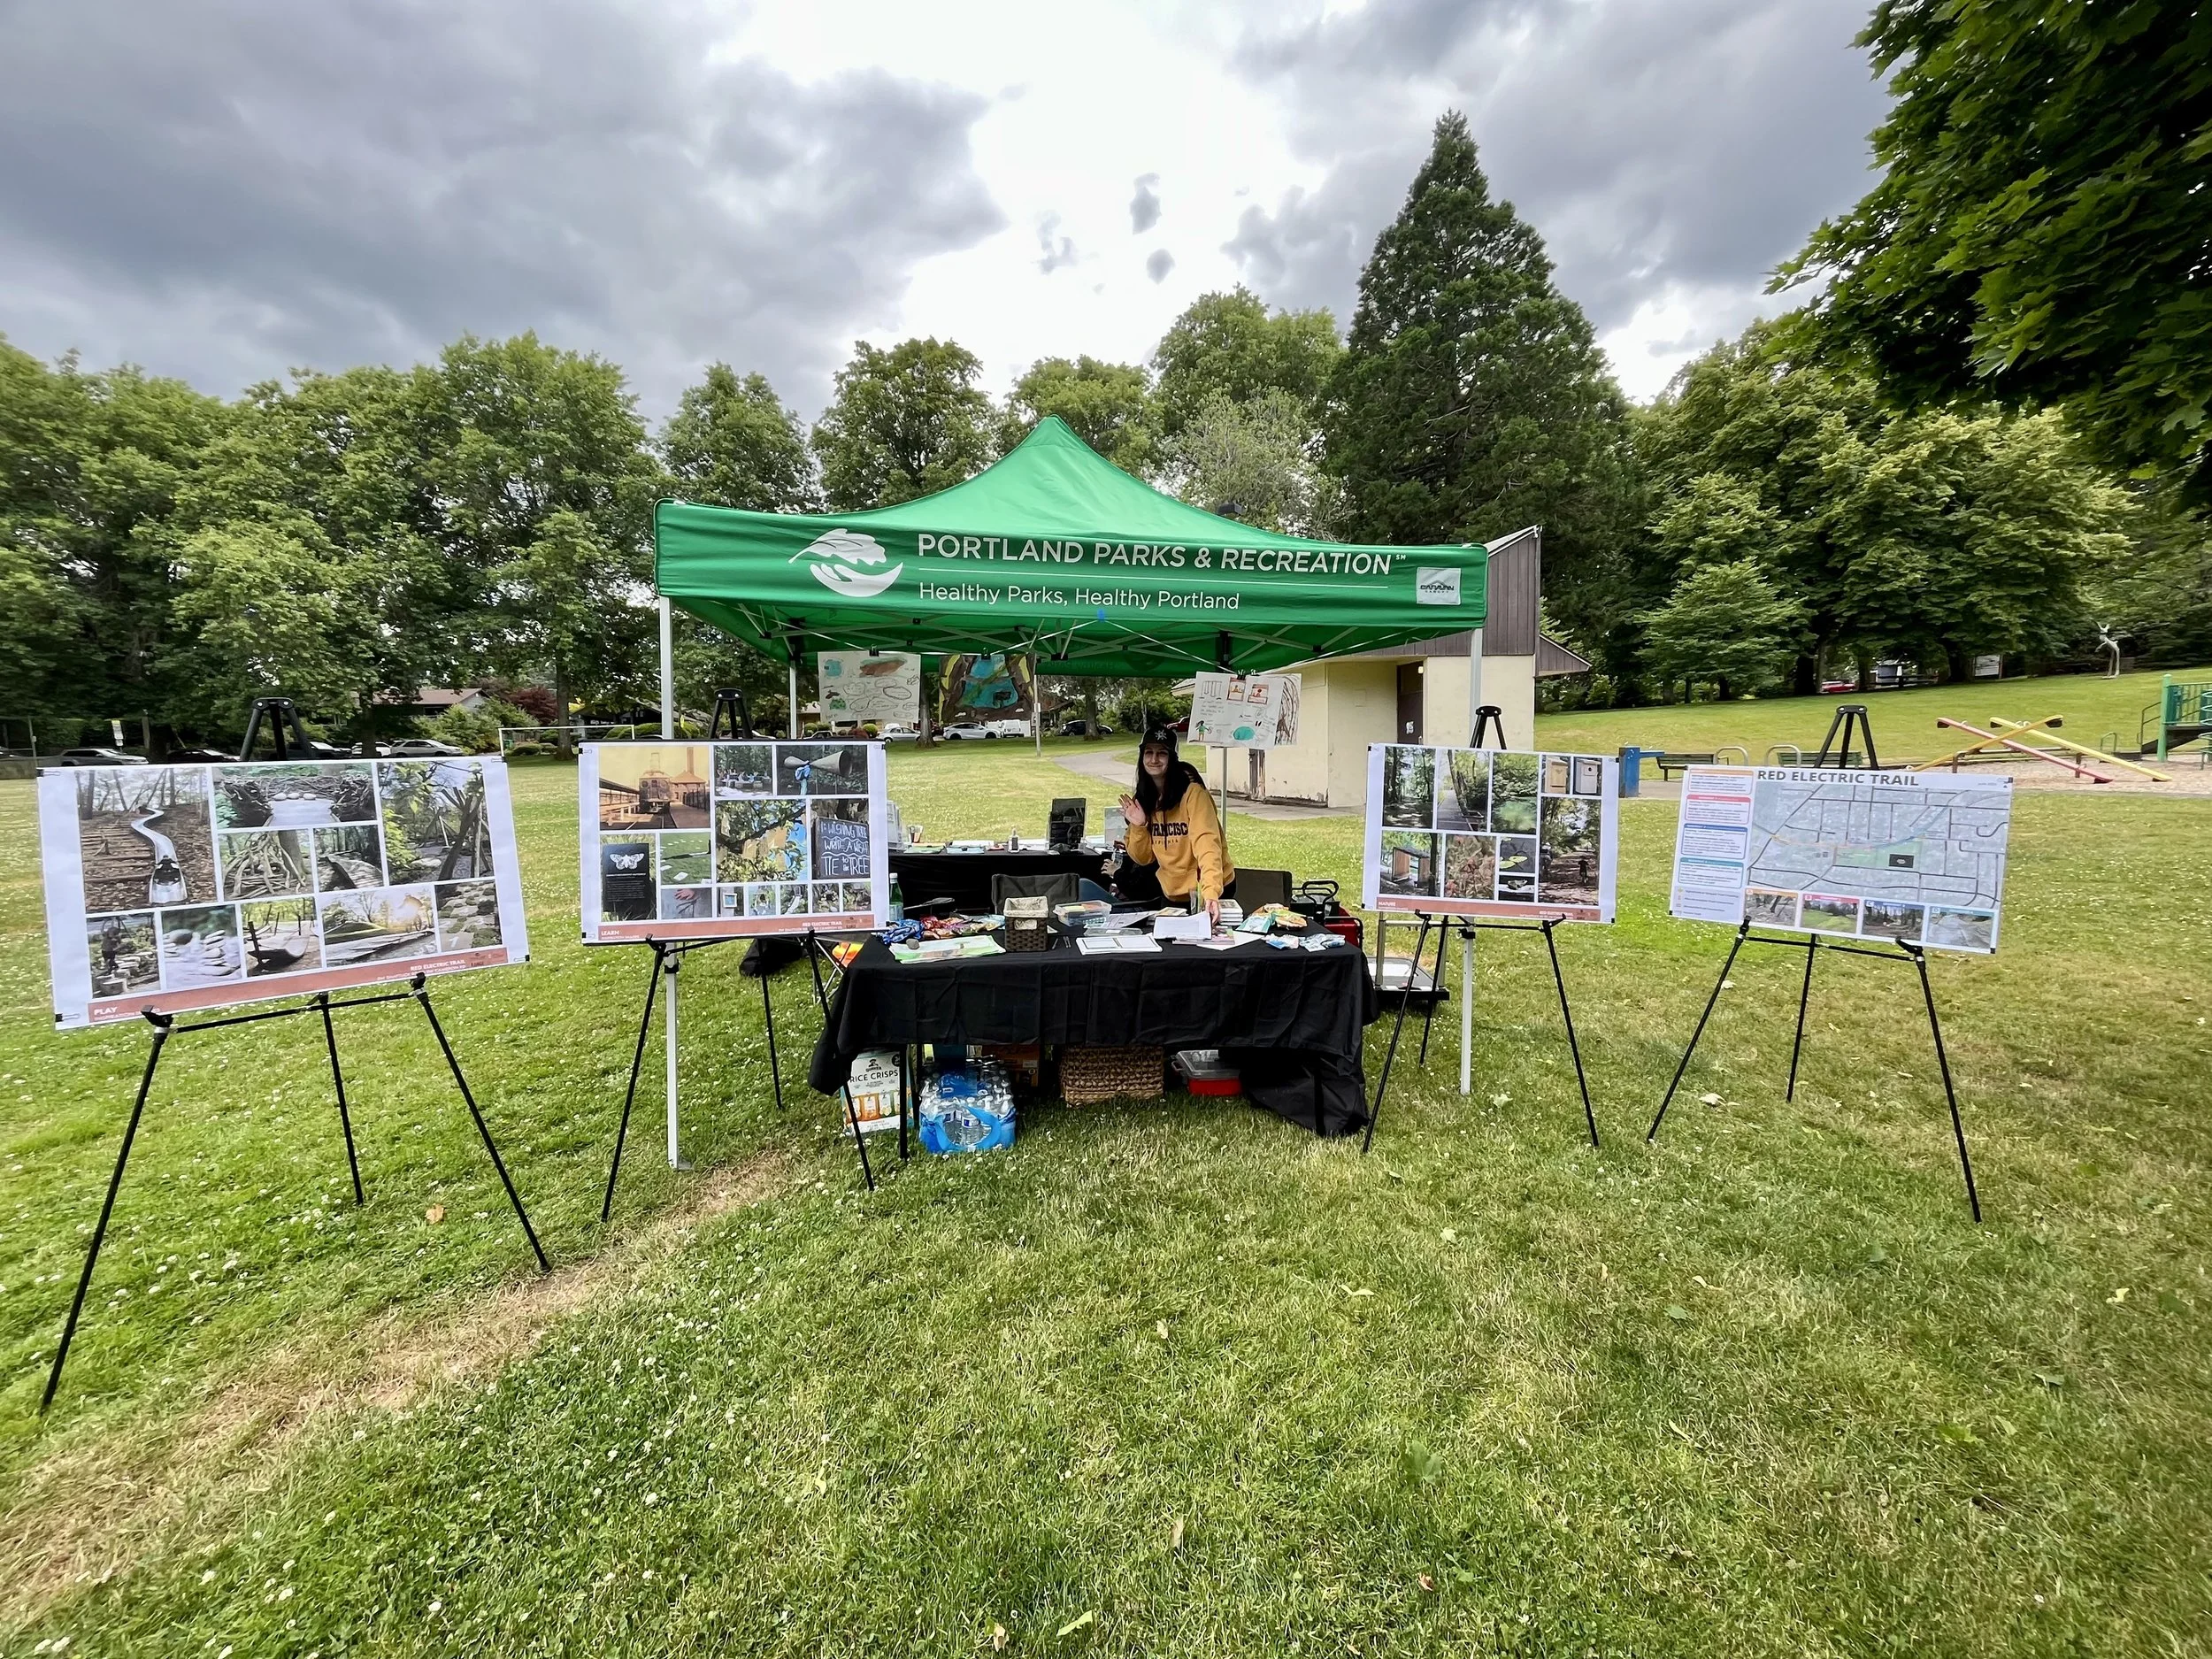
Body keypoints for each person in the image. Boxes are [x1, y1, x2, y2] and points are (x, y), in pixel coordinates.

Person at [1116, 726, 1236, 921]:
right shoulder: (1143, 799)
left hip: (1206, 888)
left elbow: (1207, 843)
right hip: (1172, 892)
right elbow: (1142, 858)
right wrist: (1139, 825)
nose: (1154, 759)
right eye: (1149, 752)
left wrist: (1211, 891)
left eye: (1162, 753)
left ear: (1172, 758)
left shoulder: (1194, 794)